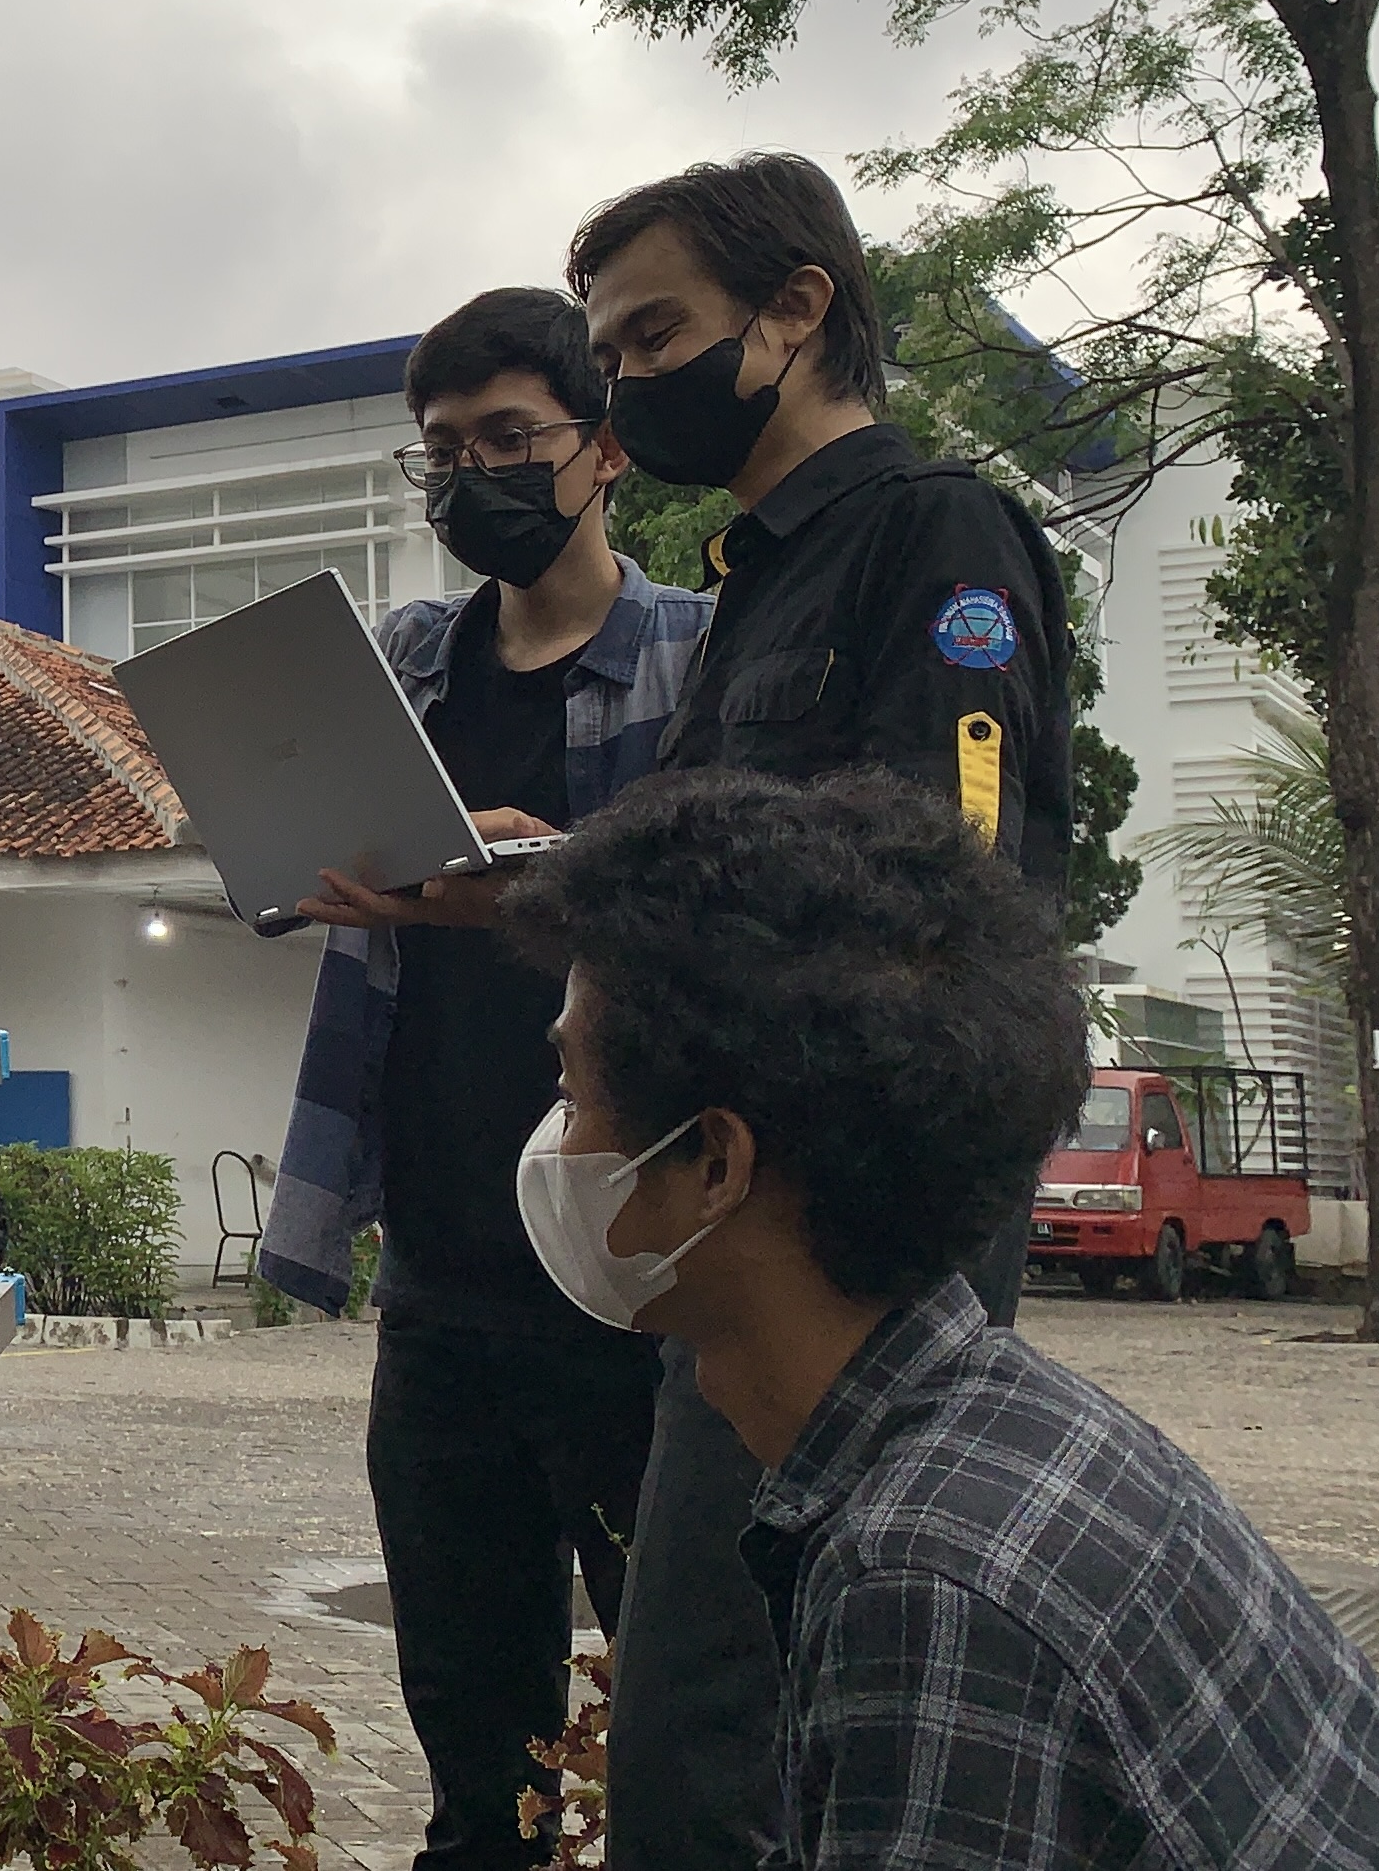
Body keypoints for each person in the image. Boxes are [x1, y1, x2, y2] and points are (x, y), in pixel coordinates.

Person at [500, 769, 1379, 1870]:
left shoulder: (927, 1584)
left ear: (716, 1165)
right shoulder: (1012, 1434)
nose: (555, 1141)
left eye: (575, 1092)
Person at [567, 152, 1073, 1870]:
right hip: (723, 1213)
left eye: (652, 334)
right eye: (608, 353)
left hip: (837, 1226)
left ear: (795, 311)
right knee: (720, 1706)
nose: (622, 385)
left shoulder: (932, 532)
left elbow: (950, 890)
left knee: (722, 1706)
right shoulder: (741, 587)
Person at [262, 290, 711, 1869]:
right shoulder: (401, 665)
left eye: (509, 438)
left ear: (604, 452)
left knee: (681, 1723)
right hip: (440, 1280)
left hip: (635, 1288)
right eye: (442, 452)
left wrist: (548, 871)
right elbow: (319, 882)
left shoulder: (695, 656)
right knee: (474, 1750)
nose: (473, 478)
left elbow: (718, 894)